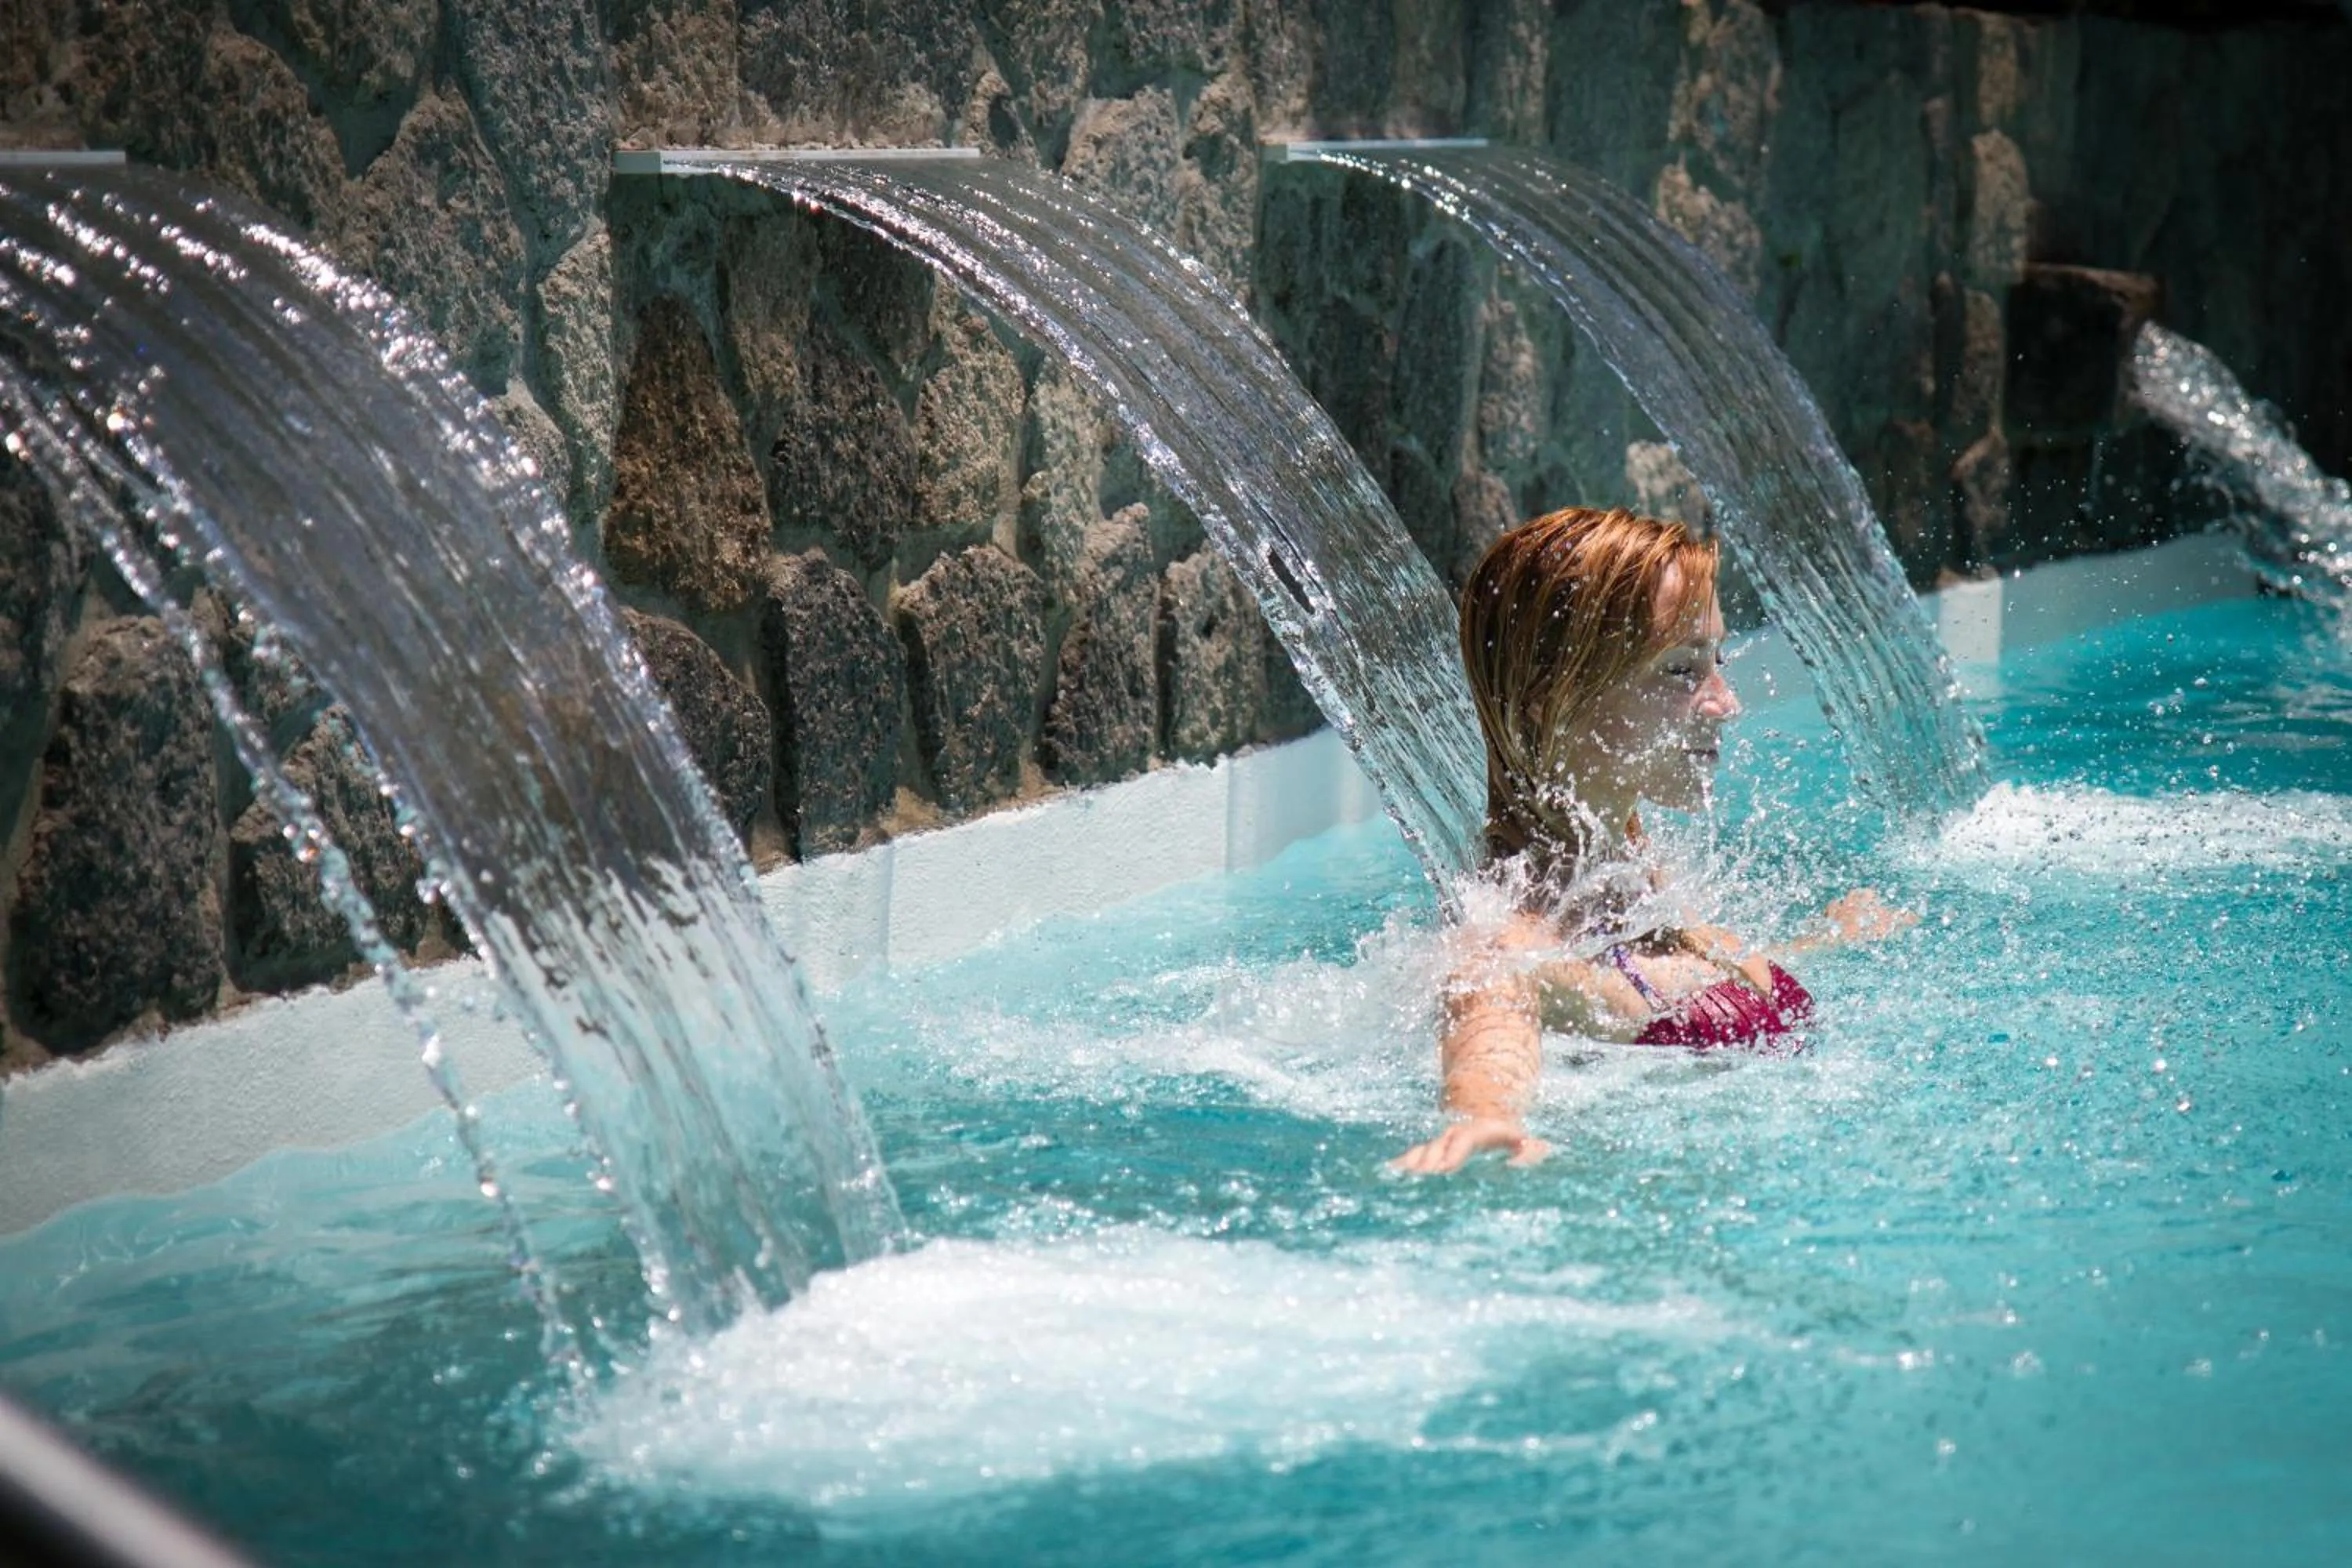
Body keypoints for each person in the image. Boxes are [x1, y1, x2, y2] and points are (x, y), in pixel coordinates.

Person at [1394, 506, 1914, 1175]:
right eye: (1680, 670)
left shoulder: (1633, 875)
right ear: (1550, 702)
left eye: (1716, 661)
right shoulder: (1518, 939)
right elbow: (1489, 1000)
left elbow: (1679, 980)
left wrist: (1826, 938)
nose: (1726, 702)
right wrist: (1487, 1115)